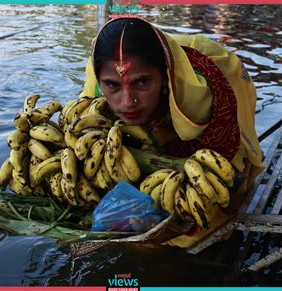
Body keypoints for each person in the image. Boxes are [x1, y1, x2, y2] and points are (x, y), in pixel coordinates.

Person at [80, 17, 265, 248]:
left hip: (219, 78)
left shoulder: (204, 97)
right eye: (113, 86)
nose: (128, 102)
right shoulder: (95, 90)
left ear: (165, 77)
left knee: (223, 186)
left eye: (142, 82)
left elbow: (222, 167)